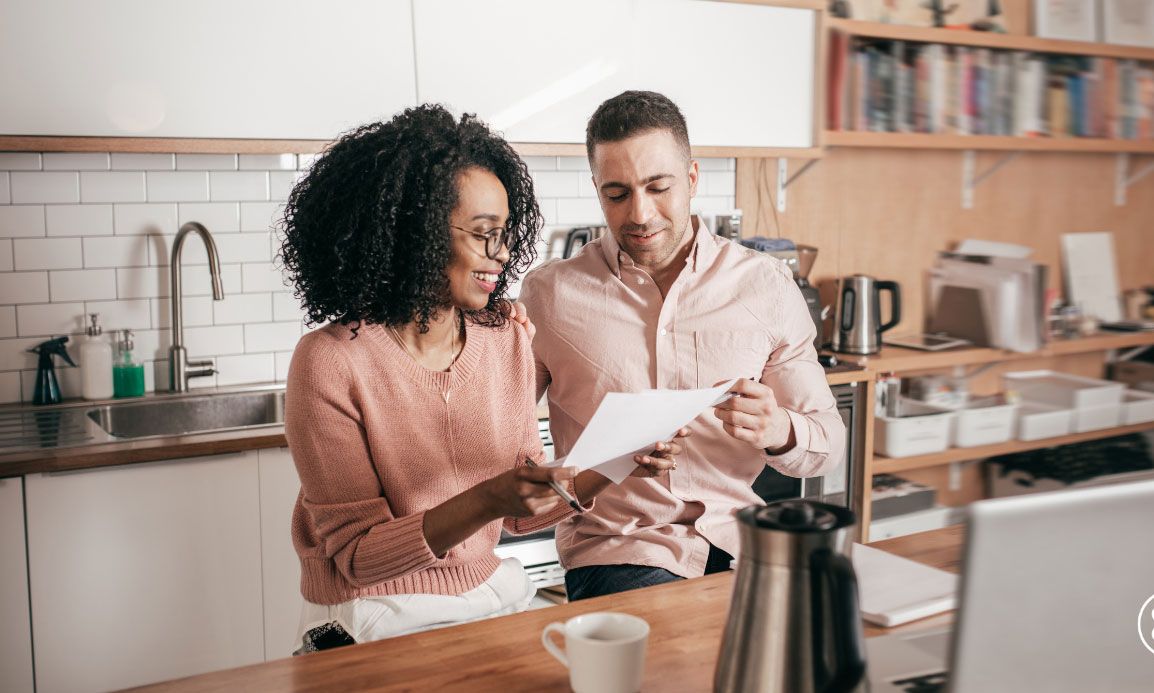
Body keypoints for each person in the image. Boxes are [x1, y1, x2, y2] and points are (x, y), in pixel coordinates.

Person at [279, 105, 679, 653]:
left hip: (486, 595)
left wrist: (617, 465)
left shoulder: (506, 339)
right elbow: (358, 558)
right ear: (410, 234)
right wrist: (488, 499)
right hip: (371, 614)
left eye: (506, 233)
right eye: (484, 234)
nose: (503, 253)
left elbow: (517, 510)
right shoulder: (329, 361)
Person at [519, 91, 847, 601]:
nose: (640, 213)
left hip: (742, 539)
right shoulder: (549, 295)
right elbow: (501, 445)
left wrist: (779, 429)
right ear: (597, 191)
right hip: (622, 547)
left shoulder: (765, 285)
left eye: (658, 187)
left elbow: (829, 442)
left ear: (692, 178)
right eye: (617, 193)